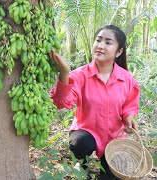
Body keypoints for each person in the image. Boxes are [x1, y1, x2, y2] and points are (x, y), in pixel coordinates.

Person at [48, 25, 140, 180]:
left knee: (110, 177)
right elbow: (61, 103)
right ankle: (81, 166)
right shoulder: (79, 75)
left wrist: (129, 118)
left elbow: (130, 105)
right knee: (80, 143)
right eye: (98, 40)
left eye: (108, 42)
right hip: (87, 132)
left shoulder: (127, 79)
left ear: (119, 52)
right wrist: (64, 73)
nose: (100, 46)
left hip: (114, 138)